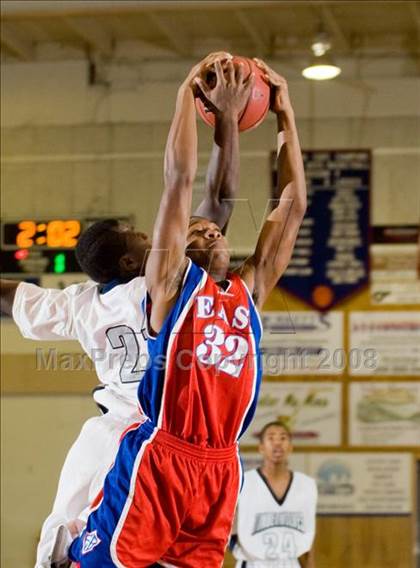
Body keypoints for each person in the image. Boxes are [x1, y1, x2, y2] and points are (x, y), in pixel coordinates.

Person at [62, 56, 307, 568]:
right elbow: (179, 180)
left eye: (214, 227)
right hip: (162, 456)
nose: (211, 228)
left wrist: (285, 115)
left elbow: (292, 205)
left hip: (221, 465)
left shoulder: (249, 290)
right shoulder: (170, 290)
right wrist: (182, 92)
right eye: (196, 230)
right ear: (178, 253)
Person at [0, 50, 238, 568]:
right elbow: (214, 196)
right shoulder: (165, 282)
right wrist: (223, 120)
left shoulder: (80, 302)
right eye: (140, 236)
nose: (152, 236)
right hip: (158, 436)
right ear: (133, 259)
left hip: (106, 433)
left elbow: (10, 293)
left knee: (62, 539)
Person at [231, 421, 317, 568]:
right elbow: (227, 527)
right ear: (261, 448)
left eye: (283, 438)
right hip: (253, 563)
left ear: (290, 447)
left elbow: (308, 533)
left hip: (291, 563)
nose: (277, 443)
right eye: (271, 438)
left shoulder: (306, 484)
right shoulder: (243, 482)